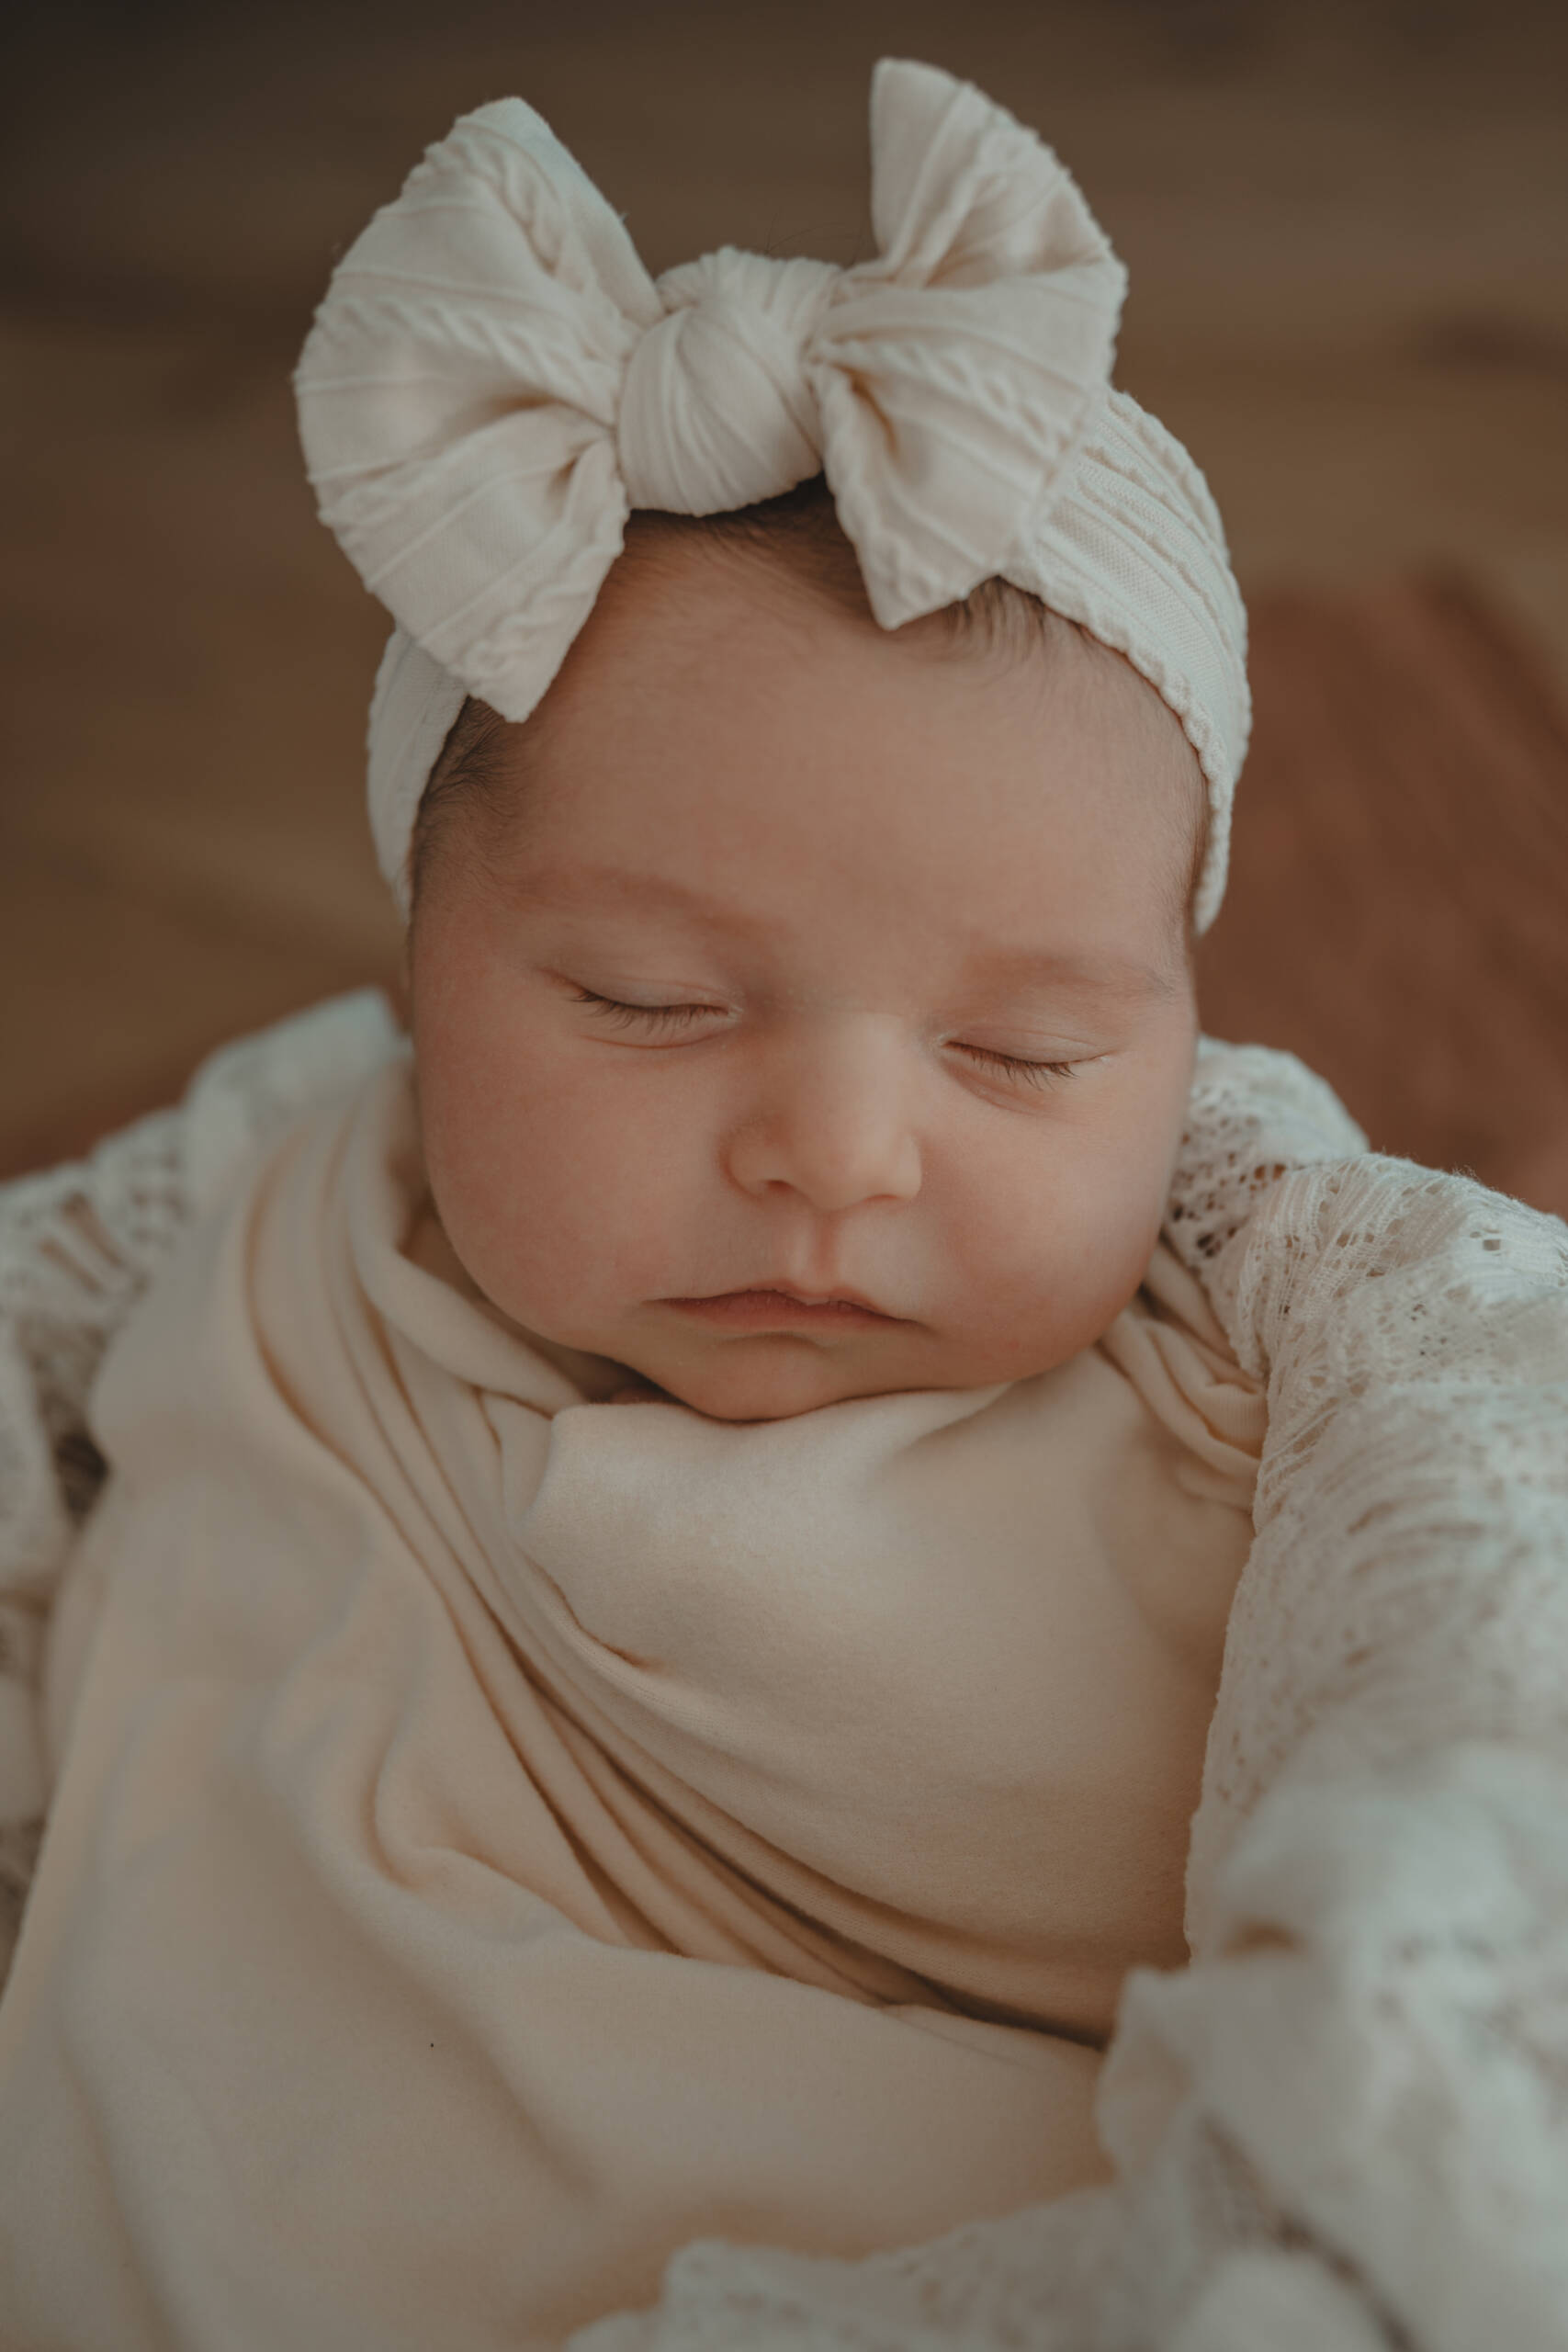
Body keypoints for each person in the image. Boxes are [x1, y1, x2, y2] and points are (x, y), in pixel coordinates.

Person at [0, 55, 1563, 2352]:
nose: (836, 1153)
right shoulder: (264, 1226)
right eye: (644, 999)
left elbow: (1485, 1645)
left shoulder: (1288, 1368)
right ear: (417, 974)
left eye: (1024, 1049)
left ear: (1178, 1032)